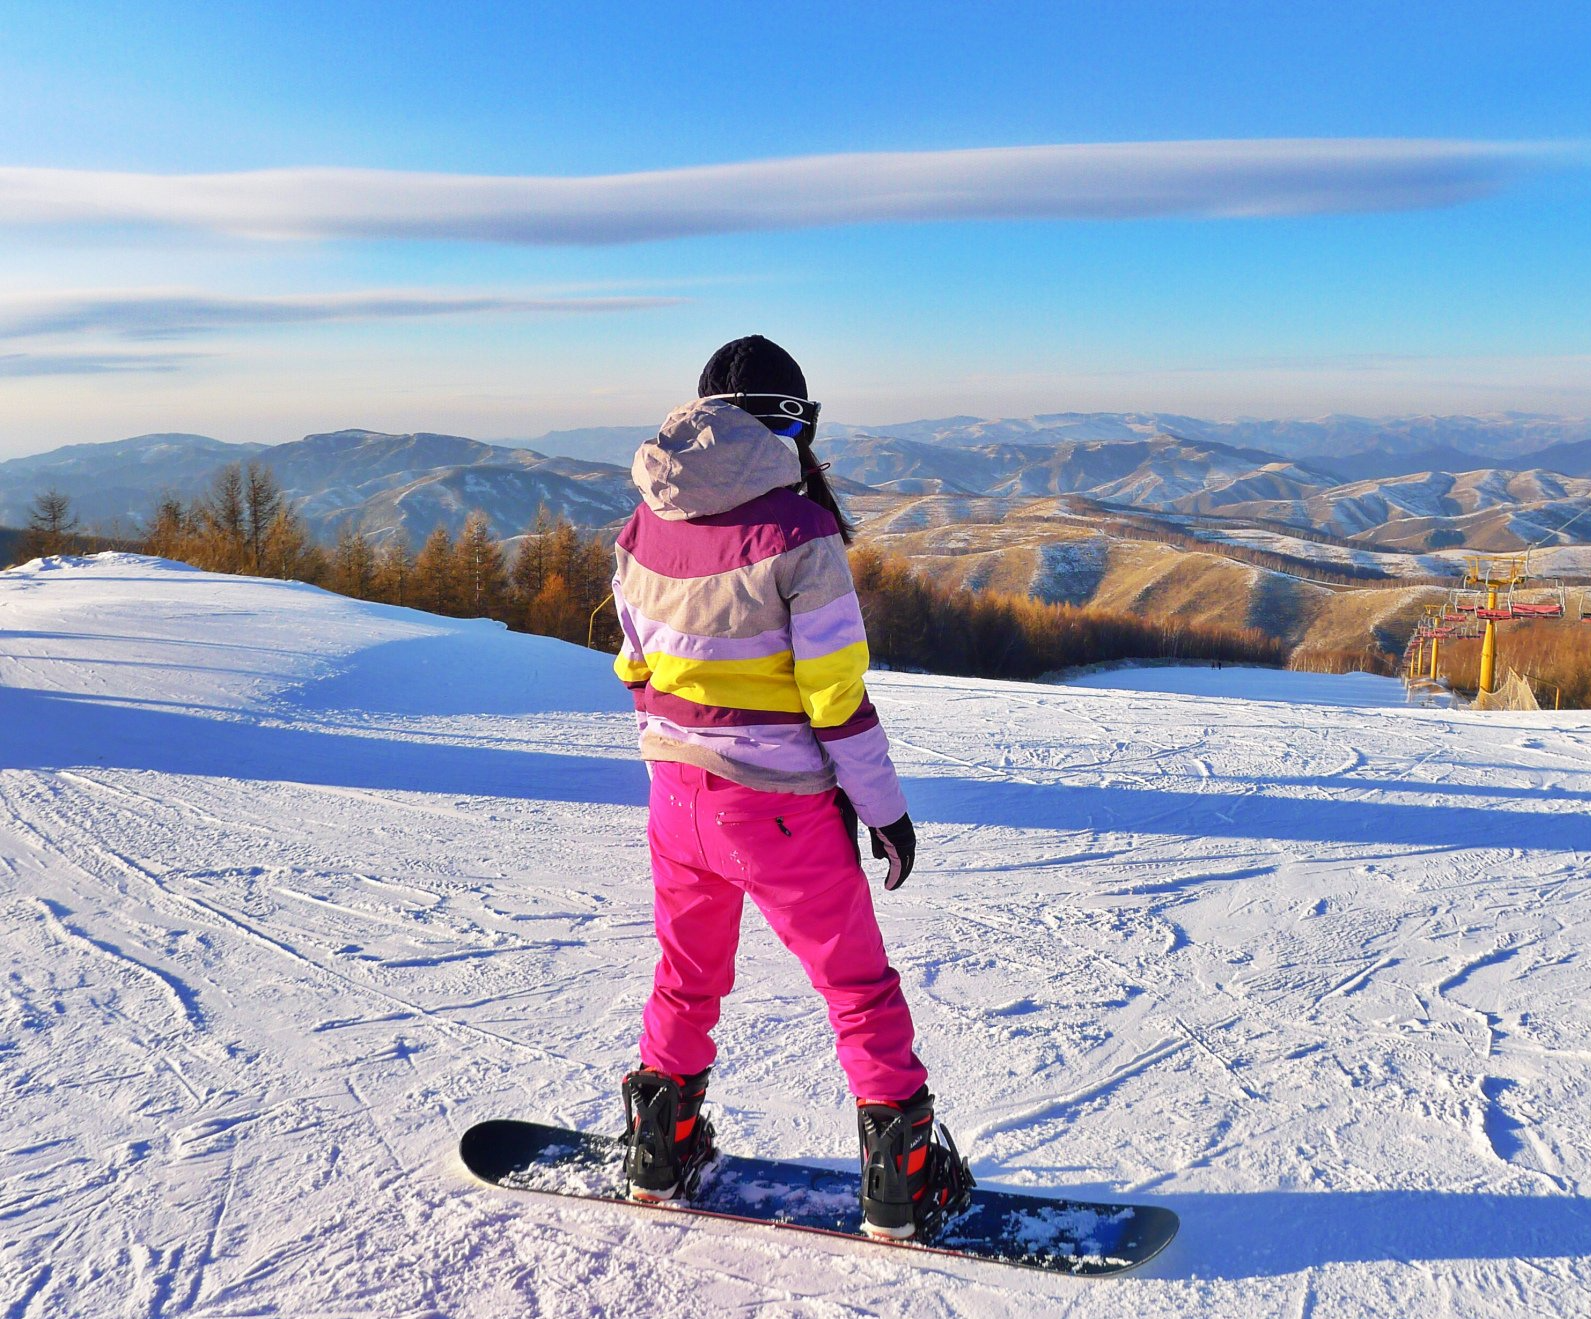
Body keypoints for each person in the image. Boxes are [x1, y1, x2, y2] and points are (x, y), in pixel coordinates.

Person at [610, 335, 969, 1239]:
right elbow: (835, 700)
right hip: (772, 806)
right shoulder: (799, 536)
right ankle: (903, 1181)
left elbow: (633, 664)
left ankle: (662, 1145)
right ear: (794, 426)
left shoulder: (643, 521)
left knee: (686, 975)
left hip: (674, 793)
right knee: (855, 984)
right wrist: (884, 812)